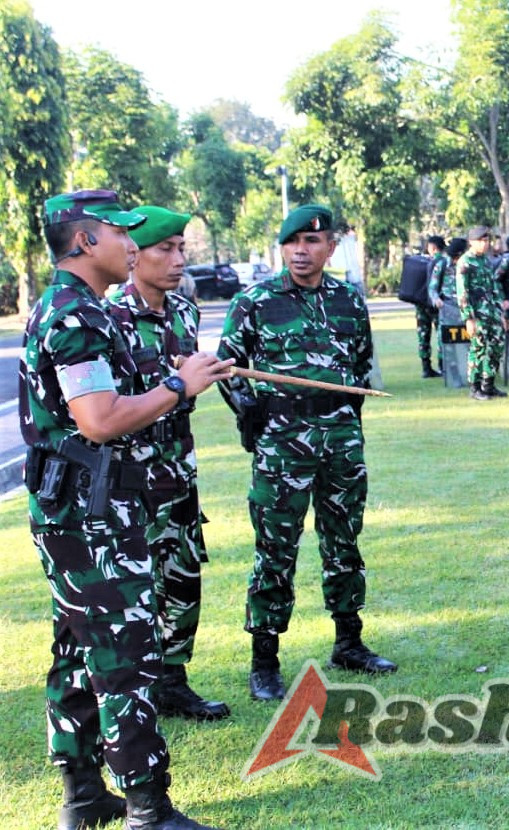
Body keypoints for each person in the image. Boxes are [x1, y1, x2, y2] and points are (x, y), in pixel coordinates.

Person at [21, 189, 231, 829]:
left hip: (85, 508)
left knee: (78, 651)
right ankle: (148, 807)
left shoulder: (79, 308)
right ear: (86, 241)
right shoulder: (75, 315)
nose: (133, 246)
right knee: (126, 655)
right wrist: (178, 385)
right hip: (93, 516)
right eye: (122, 233)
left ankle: (83, 797)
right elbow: (100, 419)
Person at [217, 204, 397, 704]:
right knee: (276, 550)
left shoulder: (347, 300)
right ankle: (265, 661)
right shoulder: (254, 301)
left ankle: (349, 642)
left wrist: (344, 419)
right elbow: (228, 370)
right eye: (293, 242)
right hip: (282, 444)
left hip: (340, 438)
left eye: (313, 242)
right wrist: (254, 417)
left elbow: (359, 362)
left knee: (345, 542)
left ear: (330, 247)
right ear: (283, 247)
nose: (302, 250)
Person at [104, 206, 230, 723]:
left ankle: (173, 682)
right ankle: (134, 694)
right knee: (131, 592)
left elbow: (185, 392)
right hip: (127, 480)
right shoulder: (107, 317)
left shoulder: (183, 312)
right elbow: (107, 409)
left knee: (181, 581)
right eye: (166, 249)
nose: (179, 259)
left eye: (182, 247)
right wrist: (174, 385)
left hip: (177, 473)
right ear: (134, 254)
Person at [457, 226, 508, 400]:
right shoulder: (465, 262)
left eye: (487, 240)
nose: (485, 244)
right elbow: (462, 292)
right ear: (472, 242)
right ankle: (475, 386)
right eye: (481, 241)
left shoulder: (486, 261)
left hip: (491, 312)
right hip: (477, 313)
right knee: (478, 348)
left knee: (496, 346)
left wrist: (500, 312)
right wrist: (468, 319)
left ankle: (489, 384)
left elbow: (494, 287)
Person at [416, 235, 445, 378]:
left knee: (423, 336)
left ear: (432, 247)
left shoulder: (423, 261)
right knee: (441, 335)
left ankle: (426, 368)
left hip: (421, 305)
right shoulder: (443, 262)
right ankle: (442, 366)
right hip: (437, 305)